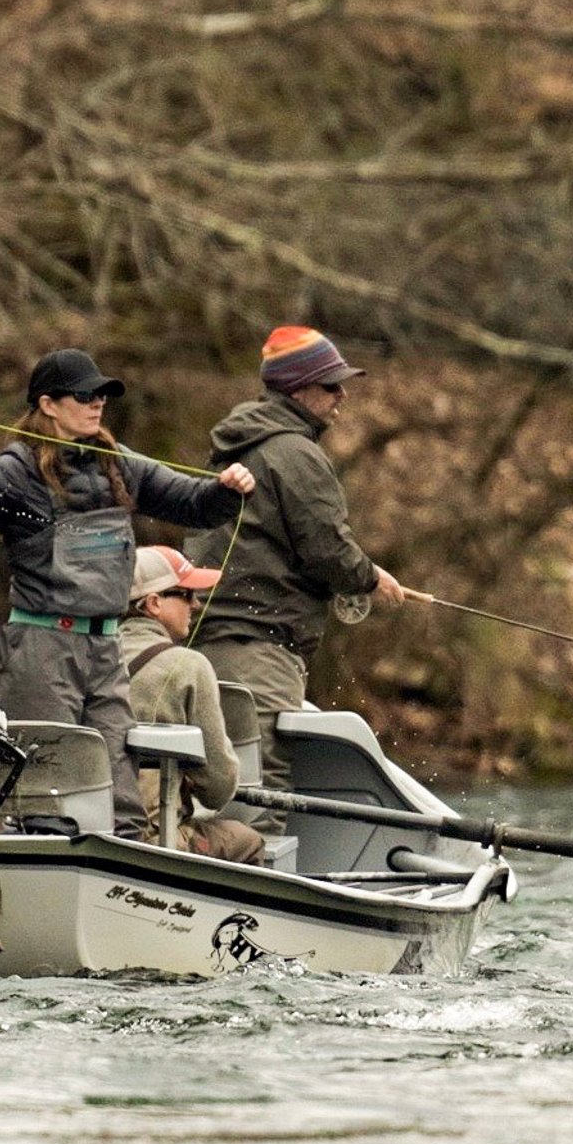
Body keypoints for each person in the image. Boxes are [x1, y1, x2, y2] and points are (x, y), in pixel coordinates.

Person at [0, 348, 256, 839]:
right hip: (41, 652)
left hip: (105, 651)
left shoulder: (119, 465)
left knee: (120, 798)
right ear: (48, 403)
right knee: (44, 796)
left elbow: (196, 505)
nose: (98, 404)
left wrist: (229, 489)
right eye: (85, 395)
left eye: (102, 395)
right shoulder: (12, 471)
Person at [185, 326, 405, 836]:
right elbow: (326, 546)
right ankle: (253, 907)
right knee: (262, 788)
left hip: (206, 640)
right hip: (260, 645)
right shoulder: (295, 453)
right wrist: (370, 579)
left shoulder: (233, 446)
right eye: (331, 386)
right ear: (298, 389)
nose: (341, 396)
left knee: (217, 782)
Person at [120, 546, 266, 865]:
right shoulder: (189, 666)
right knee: (248, 841)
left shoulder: (89, 657)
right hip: (154, 838)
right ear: (153, 603)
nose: (196, 604)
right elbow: (218, 789)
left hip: (96, 829)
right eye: (186, 594)